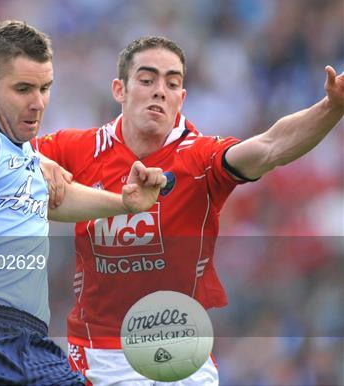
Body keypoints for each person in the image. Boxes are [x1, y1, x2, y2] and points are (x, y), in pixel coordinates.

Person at [34, 36, 344, 385]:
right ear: (120, 89)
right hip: (101, 353)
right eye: (147, 80)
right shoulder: (77, 149)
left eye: (172, 83)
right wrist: (37, 161)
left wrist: (331, 107)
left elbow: (269, 147)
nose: (159, 91)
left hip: (182, 350)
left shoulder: (200, 157)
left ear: (181, 99)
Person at [0, 20, 165, 386]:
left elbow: (53, 199)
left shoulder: (20, 147)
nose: (38, 103)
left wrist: (124, 203)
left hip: (32, 344)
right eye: (23, 89)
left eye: (45, 88)